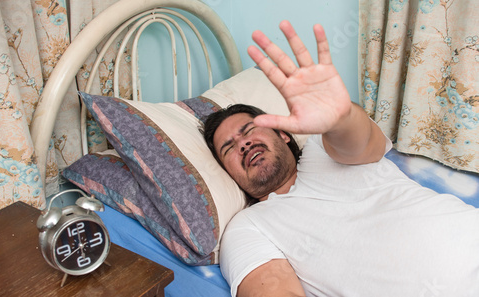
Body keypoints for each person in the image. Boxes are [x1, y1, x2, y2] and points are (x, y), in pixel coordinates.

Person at [201, 21, 479, 297]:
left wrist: (341, 117)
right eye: (229, 148)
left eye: (249, 130)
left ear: (284, 134)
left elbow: (362, 142)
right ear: (229, 173)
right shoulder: (247, 227)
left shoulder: (321, 148)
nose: (244, 144)